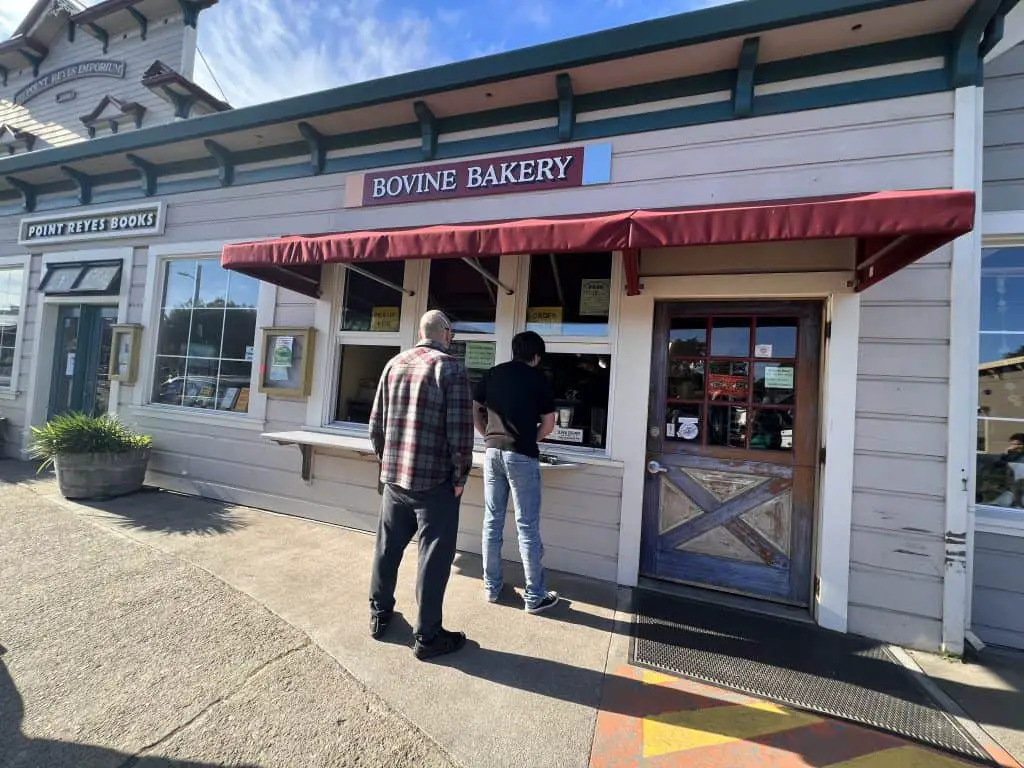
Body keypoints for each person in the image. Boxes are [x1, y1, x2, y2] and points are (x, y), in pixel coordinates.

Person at [368, 310, 474, 660]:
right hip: (435, 482)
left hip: (395, 478)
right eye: (452, 333)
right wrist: (459, 478)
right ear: (445, 333)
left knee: (387, 549)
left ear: (419, 332)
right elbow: (460, 433)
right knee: (433, 558)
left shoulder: (393, 364)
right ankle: (427, 636)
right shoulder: (451, 368)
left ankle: (379, 613)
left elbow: (376, 426)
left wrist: (386, 462)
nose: (453, 338)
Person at [472, 330, 560, 614]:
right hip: (521, 454)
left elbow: (475, 407)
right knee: (526, 526)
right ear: (536, 356)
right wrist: (529, 439)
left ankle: (491, 587)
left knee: (492, 520)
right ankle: (534, 596)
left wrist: (487, 434)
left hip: (492, 451)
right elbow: (548, 423)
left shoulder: (494, 373)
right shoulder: (538, 378)